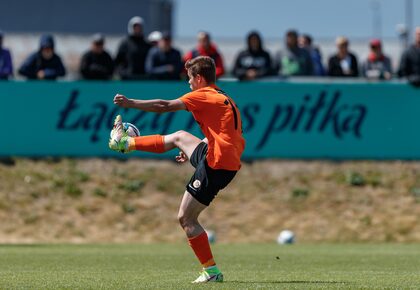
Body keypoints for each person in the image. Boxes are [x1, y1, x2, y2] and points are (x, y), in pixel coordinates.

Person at [109, 56, 245, 283]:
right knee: (180, 137)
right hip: (219, 155)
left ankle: (211, 272)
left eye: (190, 78)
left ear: (199, 78)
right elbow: (226, 132)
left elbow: (164, 106)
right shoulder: (222, 96)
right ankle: (126, 143)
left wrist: (130, 103)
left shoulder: (202, 95)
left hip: (217, 164)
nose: (188, 84)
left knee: (186, 218)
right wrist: (196, 149)